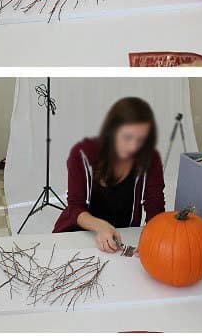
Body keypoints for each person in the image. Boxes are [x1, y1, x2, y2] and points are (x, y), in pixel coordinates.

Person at [53, 97, 165, 253]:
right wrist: (101, 226)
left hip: (122, 237)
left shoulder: (150, 158)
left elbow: (155, 205)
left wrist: (154, 238)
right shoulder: (82, 154)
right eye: (127, 137)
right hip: (78, 234)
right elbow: (75, 207)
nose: (133, 147)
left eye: (141, 140)